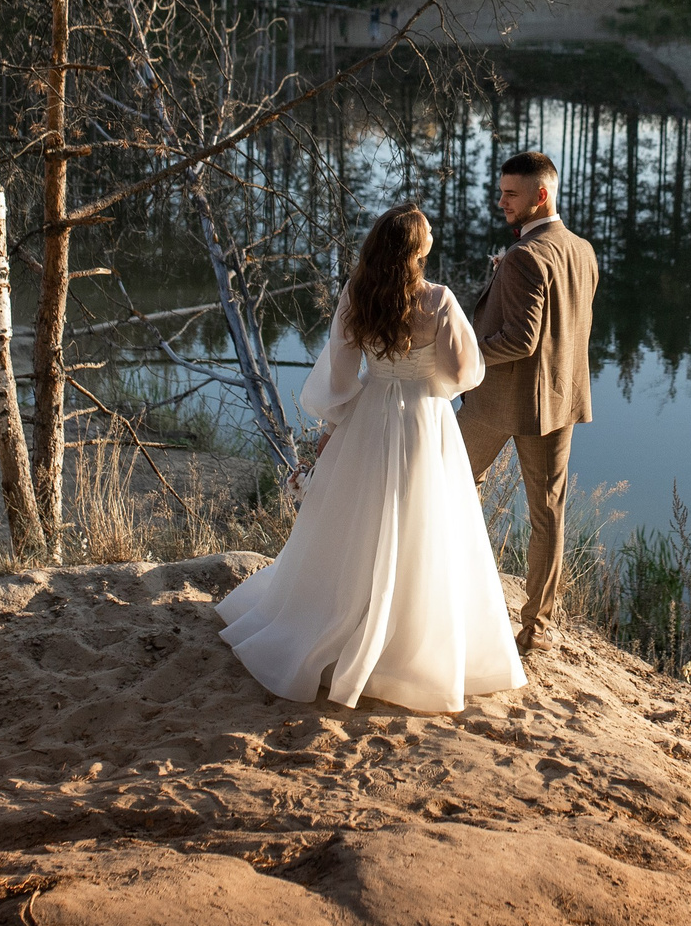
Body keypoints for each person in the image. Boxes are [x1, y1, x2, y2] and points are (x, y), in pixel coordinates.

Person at [218, 205, 526, 711]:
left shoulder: (357, 294)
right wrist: (427, 381)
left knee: (355, 521)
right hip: (424, 422)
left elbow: (339, 375)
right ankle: (407, 648)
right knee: (423, 522)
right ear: (416, 247)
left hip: (369, 414)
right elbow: (463, 372)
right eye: (428, 231)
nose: (433, 234)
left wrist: (334, 426)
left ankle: (336, 618)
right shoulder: (439, 300)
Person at [458, 151, 599, 657]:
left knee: (449, 480)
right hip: (559, 400)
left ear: (541, 194)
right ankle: (537, 625)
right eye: (500, 192)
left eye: (511, 194)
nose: (501, 202)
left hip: (500, 402)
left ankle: (456, 591)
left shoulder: (523, 256)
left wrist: (462, 355)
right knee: (548, 513)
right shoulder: (581, 249)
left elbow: (521, 339)